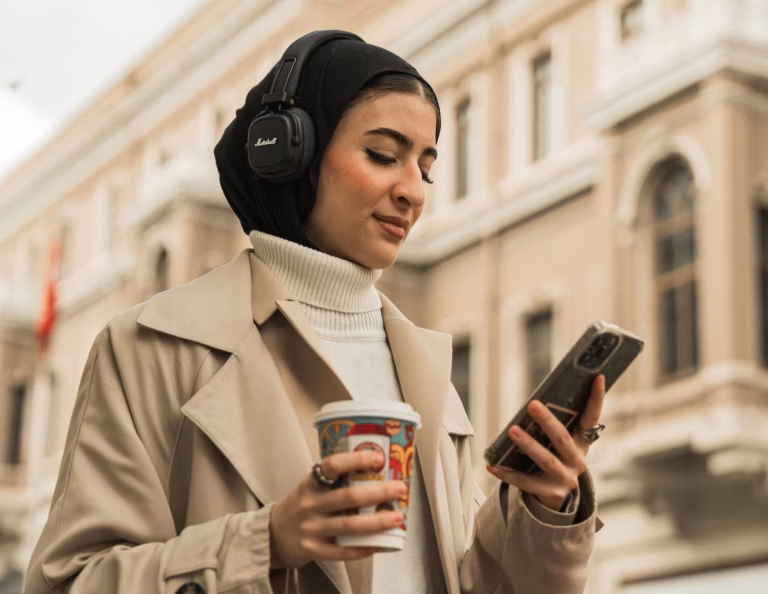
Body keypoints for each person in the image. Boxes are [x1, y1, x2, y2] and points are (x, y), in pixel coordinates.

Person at [24, 31, 605, 594]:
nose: (414, 192)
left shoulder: (426, 371)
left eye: (425, 167)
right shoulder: (151, 348)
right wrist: (266, 541)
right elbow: (72, 582)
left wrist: (543, 509)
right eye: (383, 155)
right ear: (289, 155)